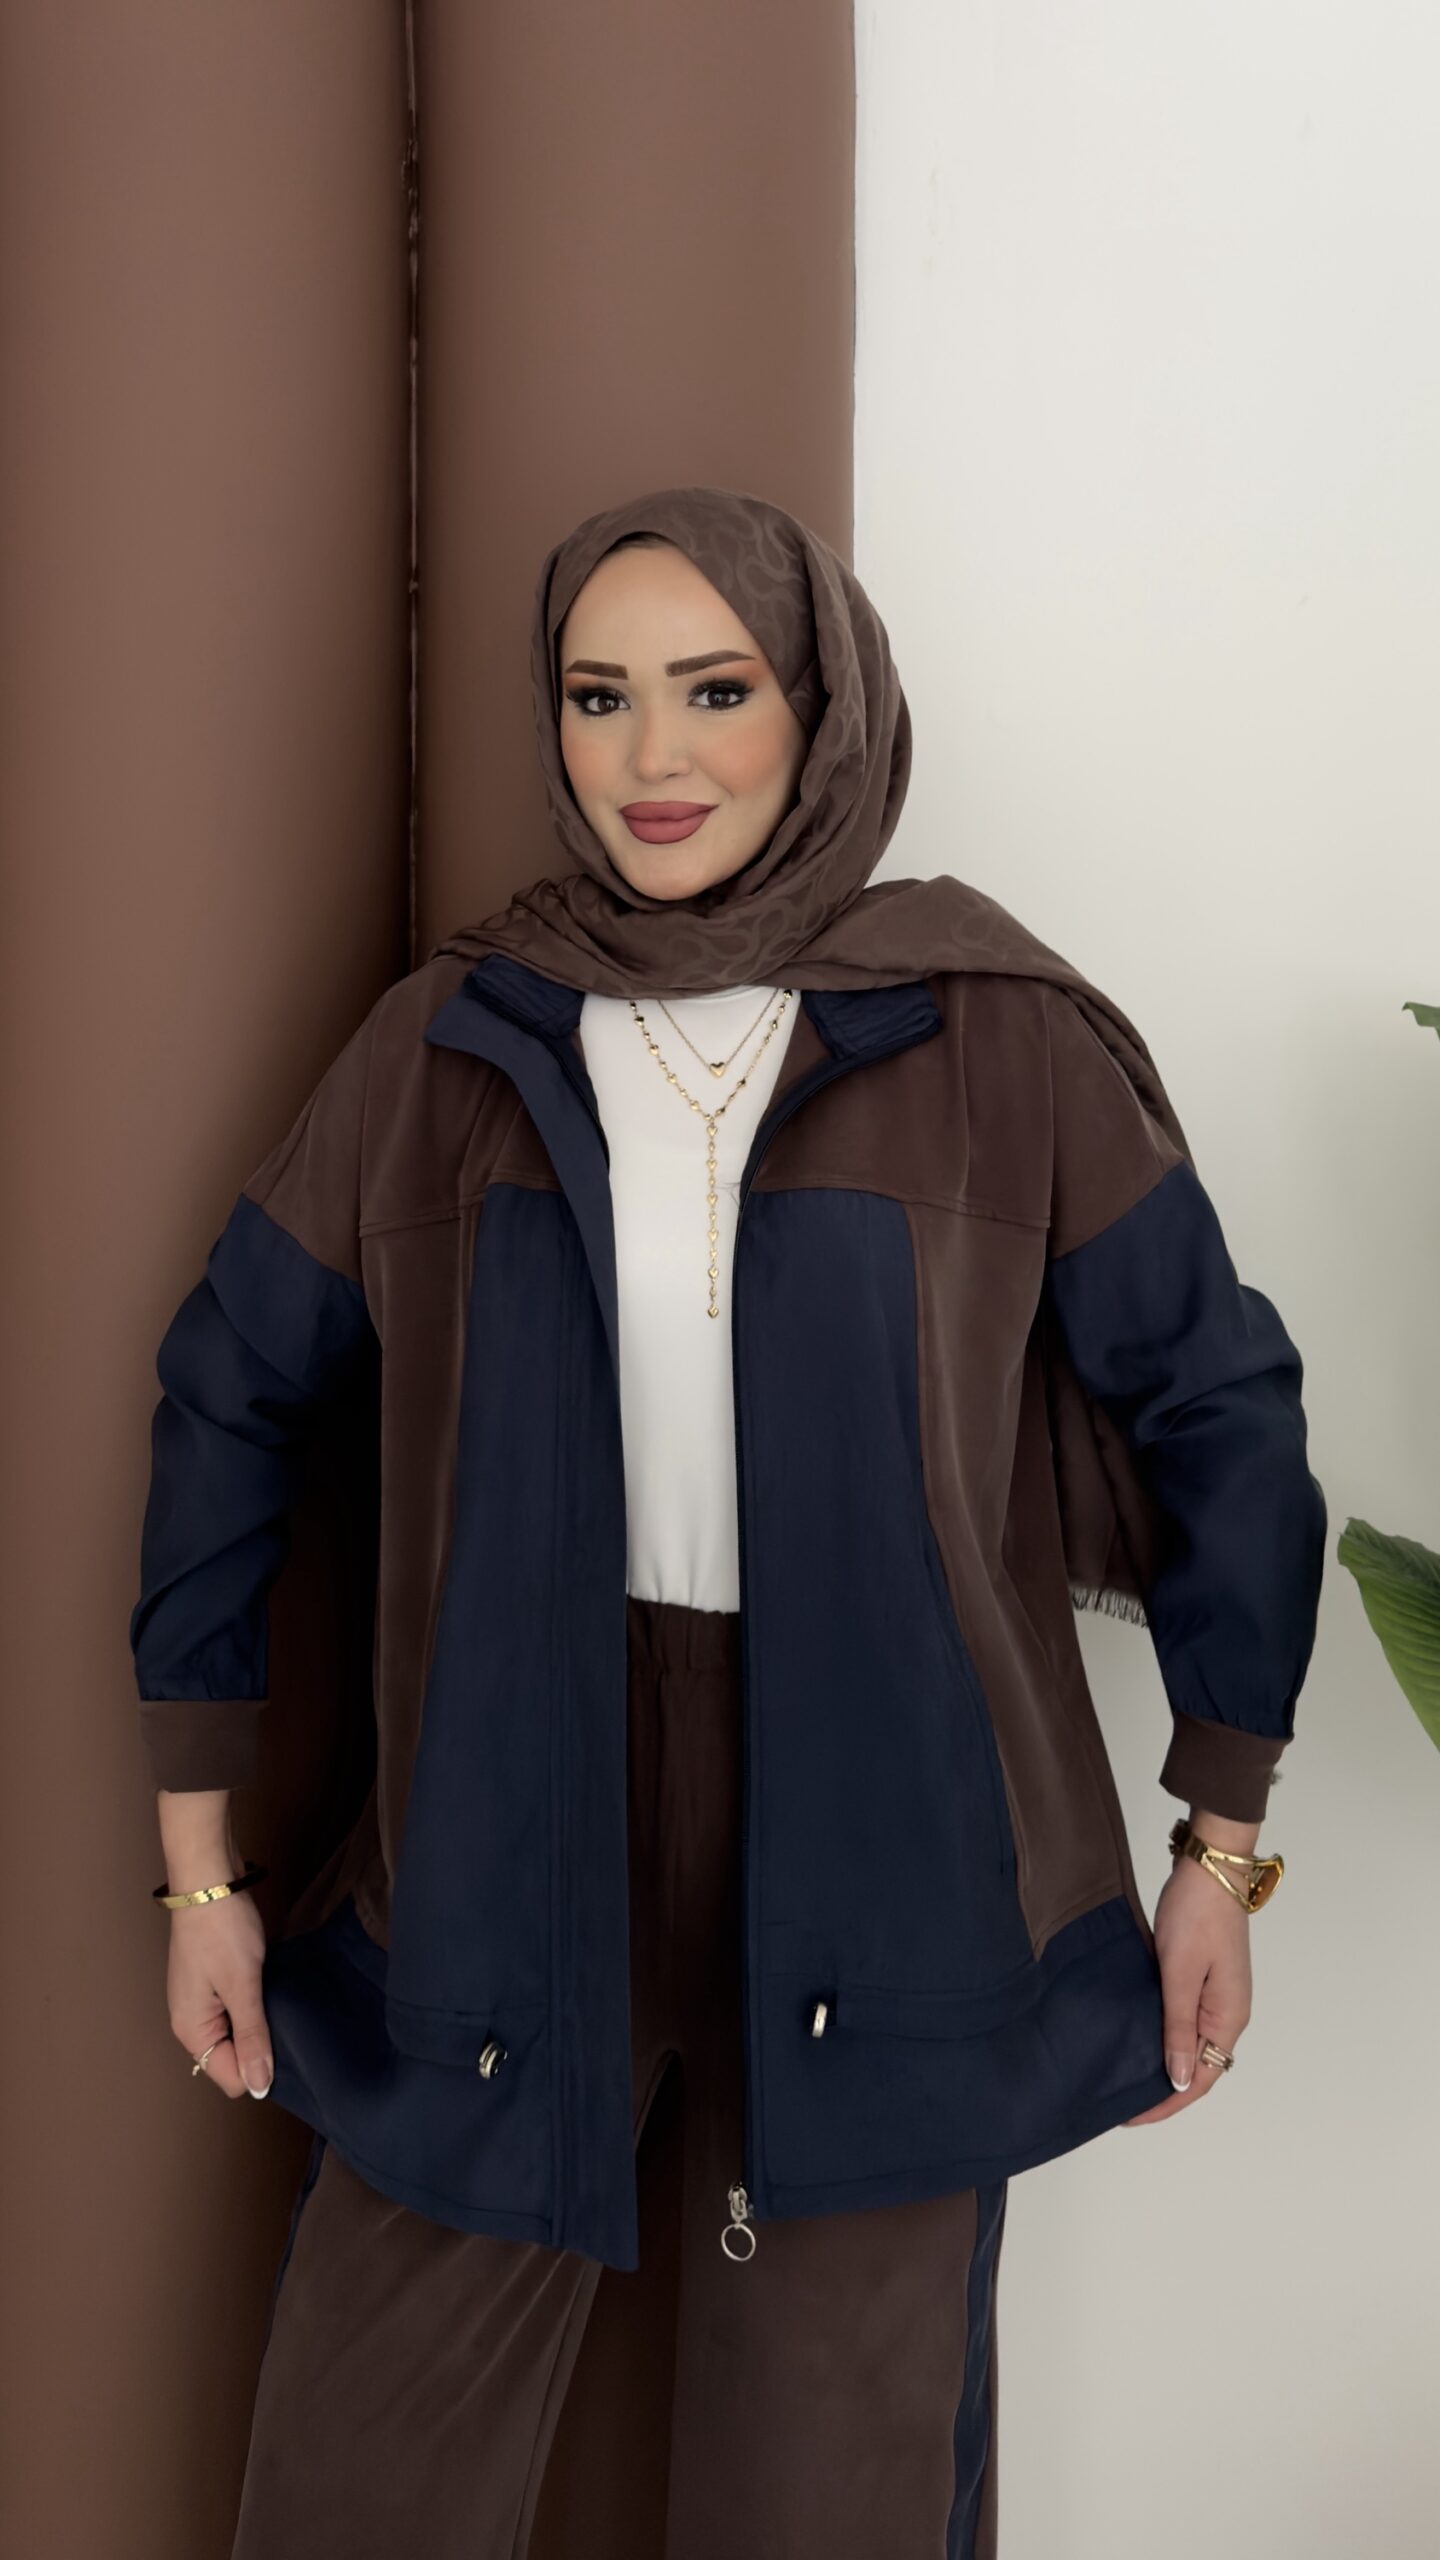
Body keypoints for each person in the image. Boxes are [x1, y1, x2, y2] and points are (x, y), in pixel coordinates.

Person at [132, 484, 1326, 2559]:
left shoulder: (995, 1031)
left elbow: (1216, 1401)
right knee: (357, 2483)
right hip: (506, 1831)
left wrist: (1218, 1841)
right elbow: (228, 1389)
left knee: (830, 2502)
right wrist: (197, 1869)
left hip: (897, 1851)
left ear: (821, 708)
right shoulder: (450, 1043)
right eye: (599, 696)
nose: (652, 756)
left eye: (715, 689)